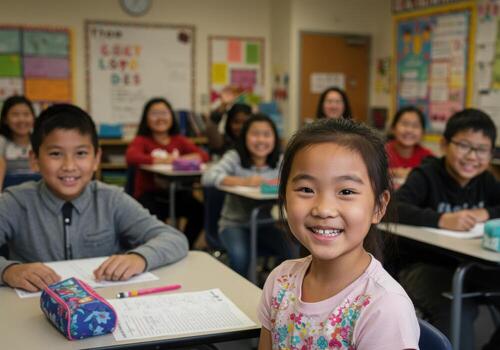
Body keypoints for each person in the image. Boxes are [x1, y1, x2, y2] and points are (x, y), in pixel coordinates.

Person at [258, 118, 419, 349]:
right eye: (306, 189)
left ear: (378, 207)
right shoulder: (280, 281)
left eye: (346, 191)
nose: (323, 209)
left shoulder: (384, 307)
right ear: (284, 196)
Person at [0, 104, 188, 292]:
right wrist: (9, 271)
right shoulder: (15, 202)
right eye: (55, 154)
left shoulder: (111, 200)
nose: (69, 166)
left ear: (96, 159)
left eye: (81, 153)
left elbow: (174, 238)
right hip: (32, 306)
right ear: (34, 160)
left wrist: (139, 258)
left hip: (102, 306)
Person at [395, 108, 500, 350]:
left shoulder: (485, 181)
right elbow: (395, 207)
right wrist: (441, 219)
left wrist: (485, 213)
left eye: (482, 149)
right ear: (444, 144)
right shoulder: (427, 174)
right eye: (464, 145)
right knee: (458, 309)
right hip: (422, 267)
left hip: (475, 267)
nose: (472, 156)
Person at [202, 114, 295, 277]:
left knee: (292, 251)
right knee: (241, 258)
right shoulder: (235, 157)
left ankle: (278, 292)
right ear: (245, 136)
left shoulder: (280, 160)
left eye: (266, 135)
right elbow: (207, 177)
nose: (261, 140)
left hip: (264, 224)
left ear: (274, 138)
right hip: (234, 224)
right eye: (255, 134)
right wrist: (244, 181)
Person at [126, 97, 209, 248]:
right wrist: (164, 160)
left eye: (164, 113)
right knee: (153, 221)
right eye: (154, 114)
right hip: (150, 195)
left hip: (176, 194)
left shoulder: (178, 140)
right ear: (146, 118)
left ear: (172, 116)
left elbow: (203, 156)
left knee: (200, 210)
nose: (160, 118)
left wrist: (182, 159)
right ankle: (158, 249)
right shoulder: (142, 140)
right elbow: (132, 156)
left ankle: (185, 245)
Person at [386, 106, 433, 184]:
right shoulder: (380, 152)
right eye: (404, 124)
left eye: (415, 126)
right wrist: (394, 172)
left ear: (422, 133)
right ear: (393, 128)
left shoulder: (428, 157)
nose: (409, 130)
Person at [0, 95, 39, 189]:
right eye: (15, 114)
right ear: (5, 119)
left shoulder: (41, 140)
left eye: (26, 114)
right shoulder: (2, 142)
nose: (21, 119)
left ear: (33, 117)